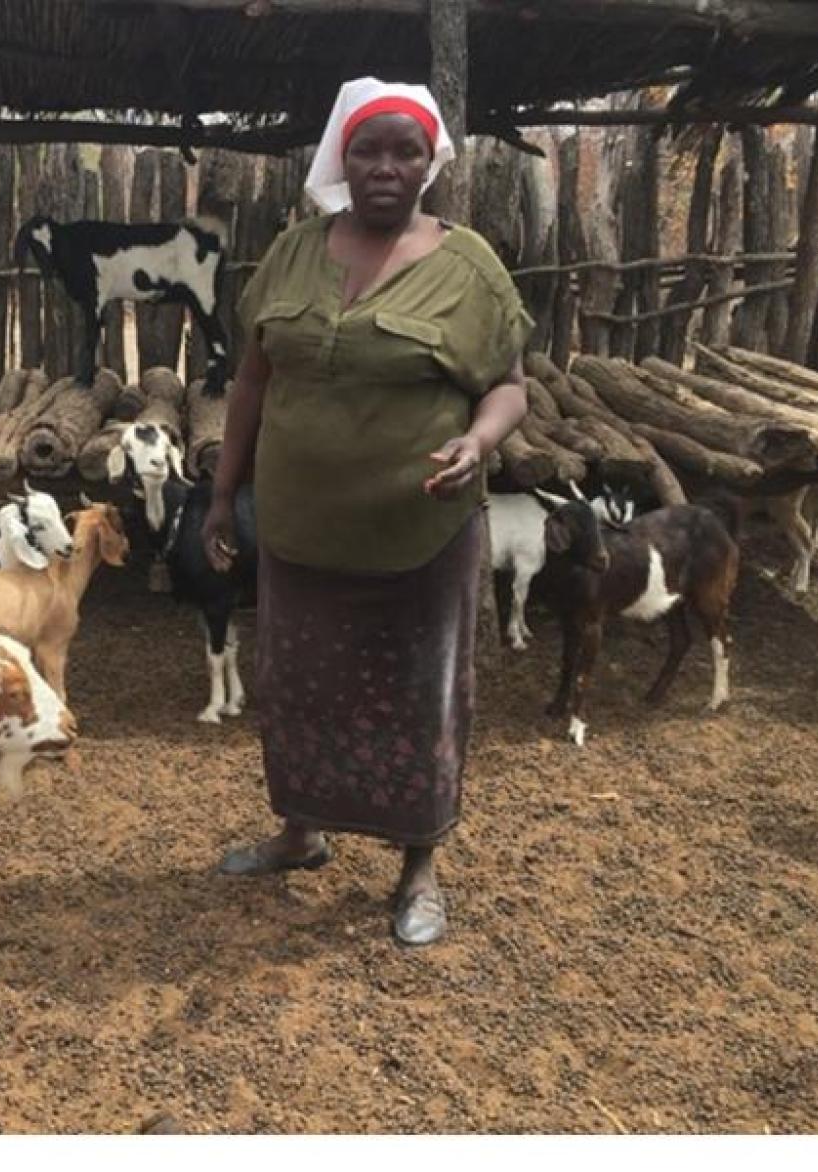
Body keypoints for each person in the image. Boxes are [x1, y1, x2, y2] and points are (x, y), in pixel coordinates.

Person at [203, 78, 532, 946]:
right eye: (368, 150)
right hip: (301, 529)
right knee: (299, 687)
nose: (385, 168)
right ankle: (300, 832)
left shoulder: (468, 268)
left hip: (418, 533)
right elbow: (253, 380)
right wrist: (221, 491)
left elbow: (508, 383)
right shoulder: (293, 253)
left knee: (418, 698)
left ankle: (418, 868)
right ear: (340, 159)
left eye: (406, 152)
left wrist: (478, 443)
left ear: (430, 165)